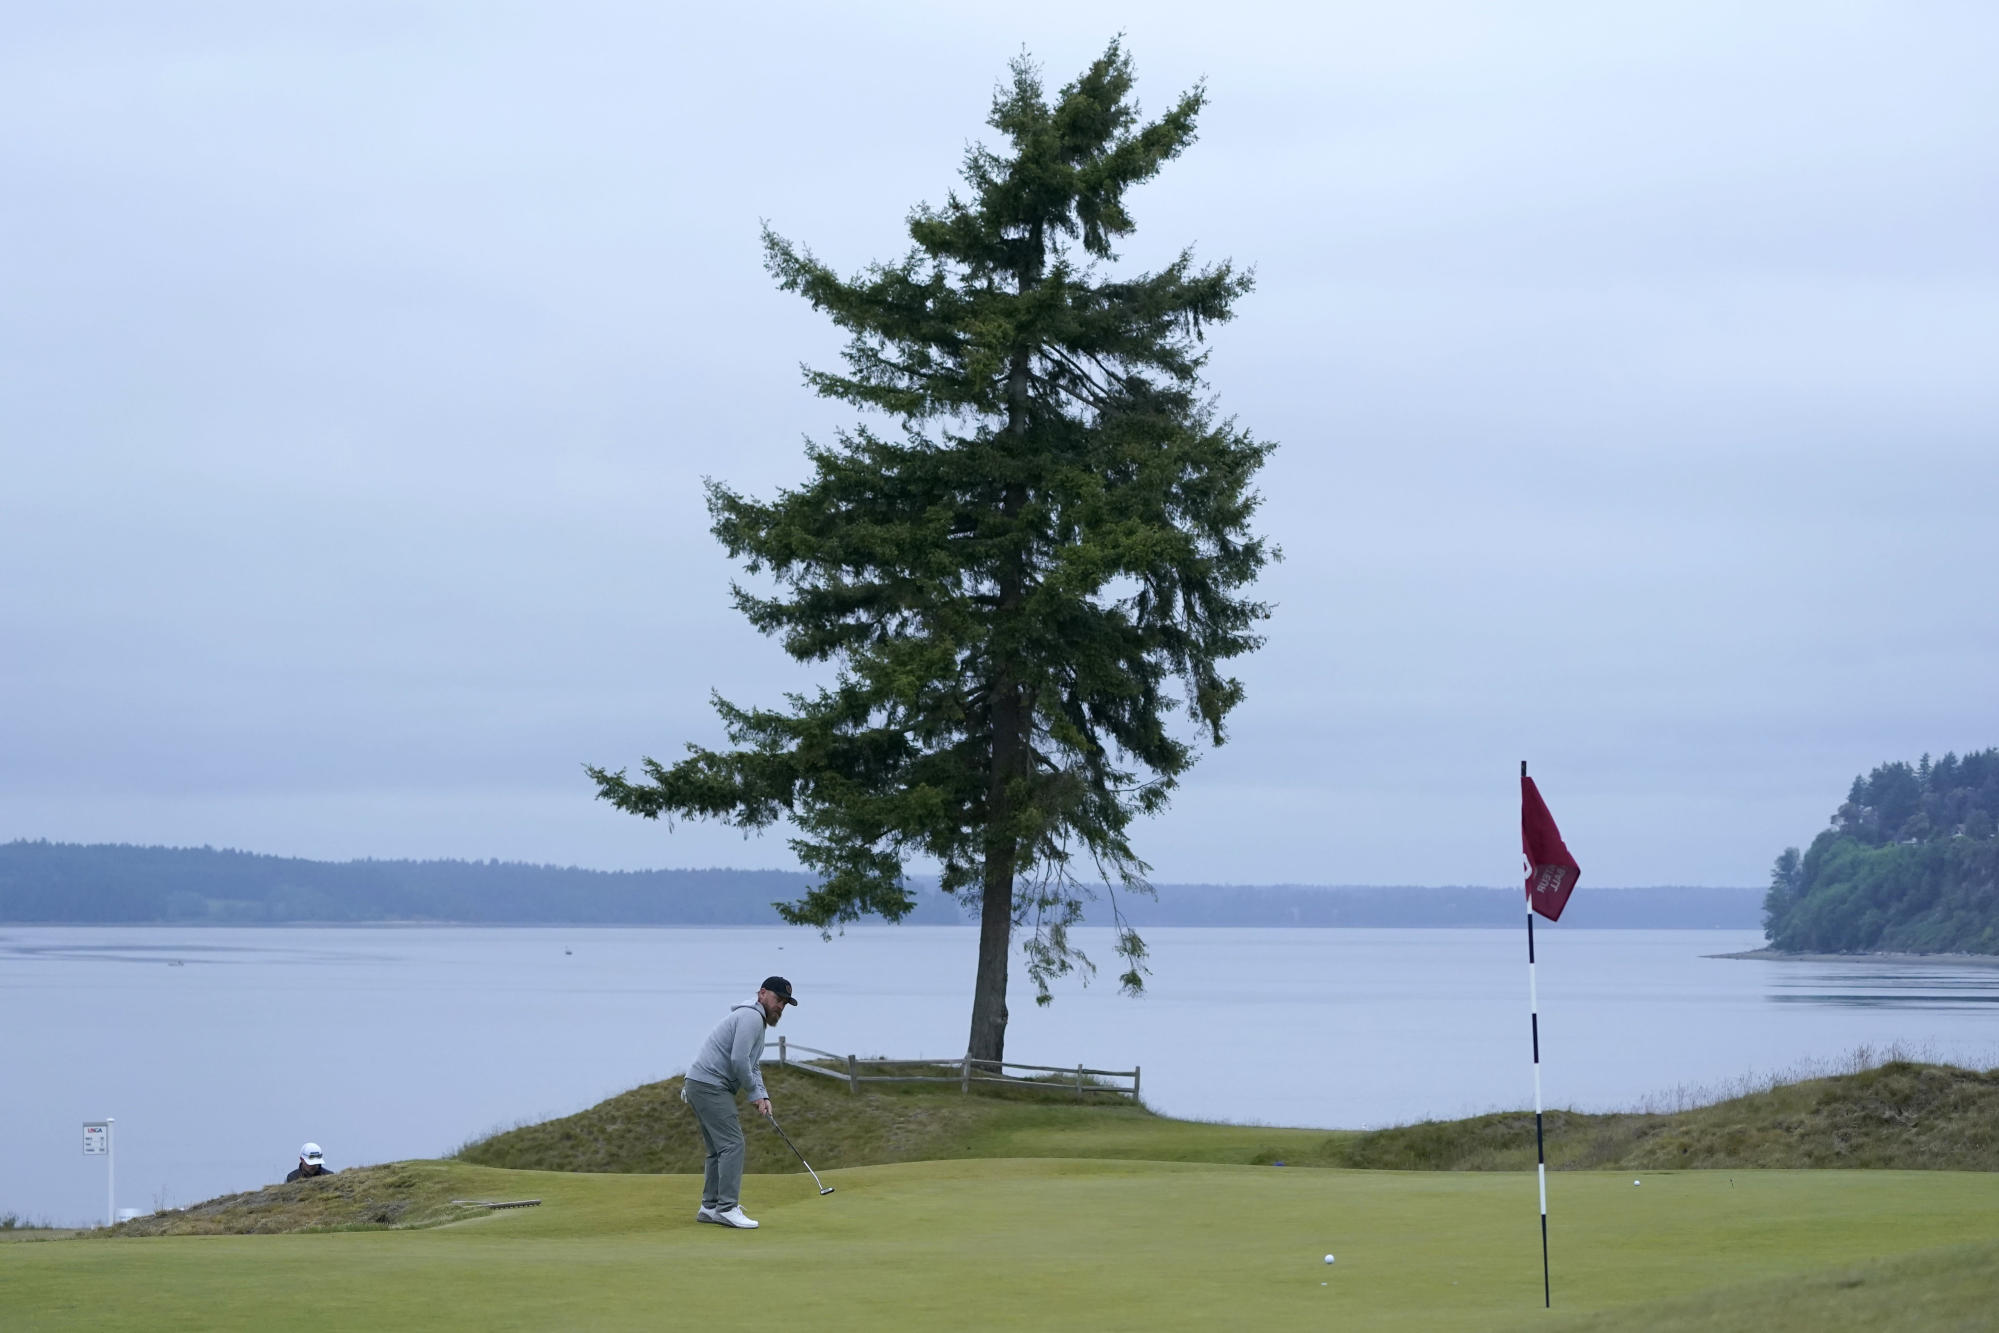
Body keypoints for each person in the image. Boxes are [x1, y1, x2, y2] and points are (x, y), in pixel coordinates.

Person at [681, 976, 797, 1229]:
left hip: (701, 1084)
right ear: (762, 994)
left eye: (785, 1003)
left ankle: (710, 1207)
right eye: (778, 1000)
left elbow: (751, 1064)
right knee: (733, 1144)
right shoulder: (751, 1018)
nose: (780, 1006)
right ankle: (727, 1208)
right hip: (709, 1085)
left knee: (718, 1149)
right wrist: (753, 1094)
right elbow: (737, 1061)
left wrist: (763, 1095)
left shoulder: (757, 1021)